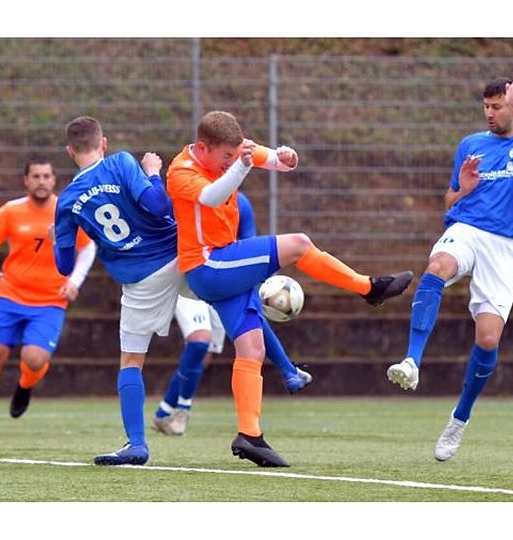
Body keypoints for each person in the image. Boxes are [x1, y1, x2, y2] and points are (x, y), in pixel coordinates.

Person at [166, 110, 413, 467]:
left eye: (233, 156)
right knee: (298, 243)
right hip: (209, 265)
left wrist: (285, 156)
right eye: (224, 157)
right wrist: (243, 166)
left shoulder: (232, 152)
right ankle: (368, 288)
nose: (229, 162)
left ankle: (250, 436)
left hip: (222, 263)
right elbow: (212, 197)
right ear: (202, 148)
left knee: (252, 346)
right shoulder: (180, 171)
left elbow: (274, 160)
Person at [385, 70, 513, 461]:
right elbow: (448, 200)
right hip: (466, 228)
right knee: (437, 267)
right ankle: (412, 360)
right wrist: (462, 190)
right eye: (486, 106)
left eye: (497, 106)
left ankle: (459, 419)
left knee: (487, 339)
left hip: (506, 245)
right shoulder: (470, 144)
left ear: (511, 108)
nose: (490, 113)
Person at [54, 116, 182, 466]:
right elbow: (159, 205)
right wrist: (154, 172)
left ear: (69, 151)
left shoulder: (66, 201)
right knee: (233, 305)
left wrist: (70, 232)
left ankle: (137, 444)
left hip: (140, 280)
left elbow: (64, 265)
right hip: (177, 257)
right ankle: (285, 366)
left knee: (131, 361)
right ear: (104, 143)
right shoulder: (122, 162)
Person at [152, 191, 313, 437]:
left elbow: (249, 251)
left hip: (225, 283)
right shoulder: (189, 196)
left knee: (209, 351)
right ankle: (182, 409)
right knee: (199, 341)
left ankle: (166, 410)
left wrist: (252, 290)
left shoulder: (241, 204)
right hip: (191, 280)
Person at [0, 157, 95, 435]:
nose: (41, 181)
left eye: (46, 176)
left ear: (54, 180)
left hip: (50, 300)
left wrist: (75, 280)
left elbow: (87, 248)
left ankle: (24, 387)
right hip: (10, 295)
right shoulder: (11, 210)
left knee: (35, 359)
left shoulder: (67, 210)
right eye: (36, 176)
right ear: (26, 180)